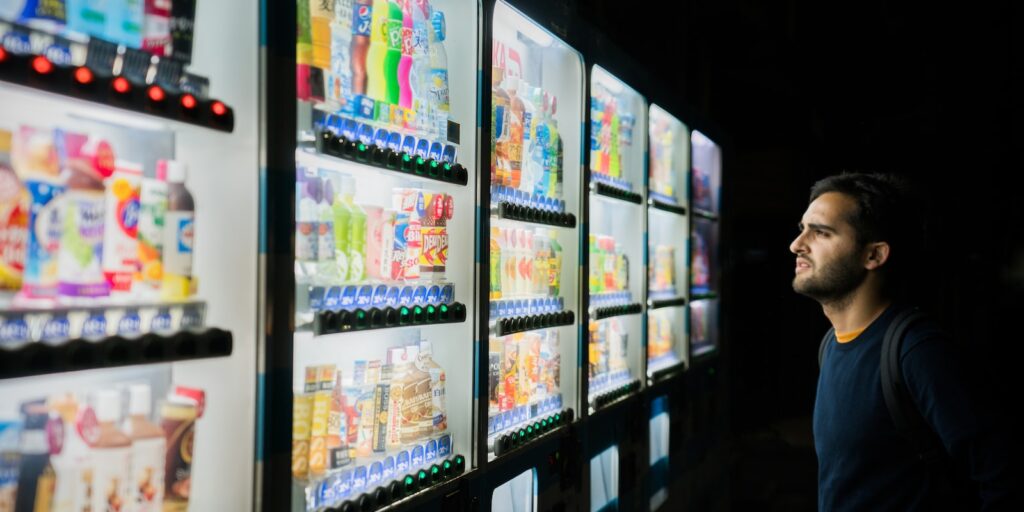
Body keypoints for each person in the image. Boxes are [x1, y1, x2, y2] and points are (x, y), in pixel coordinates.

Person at [789, 172, 1016, 511]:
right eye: (802, 229)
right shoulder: (831, 344)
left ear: (874, 256)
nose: (797, 244)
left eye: (821, 232)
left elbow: (1005, 479)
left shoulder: (919, 352)